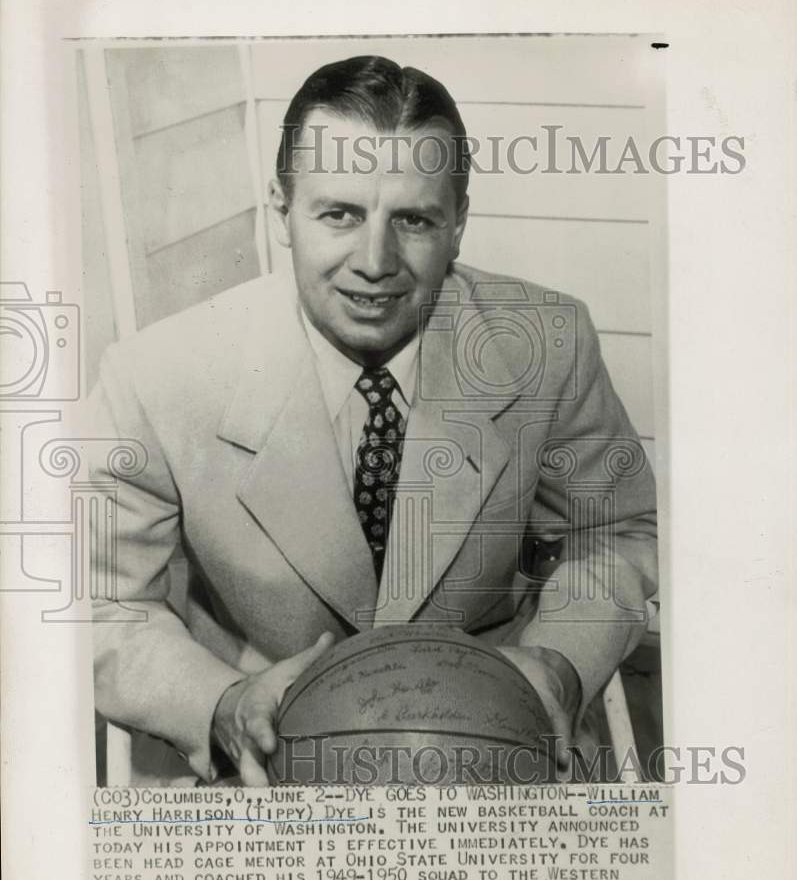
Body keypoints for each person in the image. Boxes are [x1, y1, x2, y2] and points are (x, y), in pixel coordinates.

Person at [90, 56, 658, 786]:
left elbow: (614, 531)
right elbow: (95, 601)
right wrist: (222, 704)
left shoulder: (547, 341)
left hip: (498, 729)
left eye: (414, 220)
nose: (375, 261)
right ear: (281, 211)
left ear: (458, 225)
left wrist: (557, 663)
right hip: (264, 749)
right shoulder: (157, 374)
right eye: (340, 214)